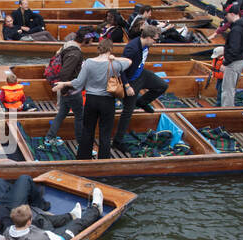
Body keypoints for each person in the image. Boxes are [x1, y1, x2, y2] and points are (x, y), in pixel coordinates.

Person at [53, 36, 130, 160]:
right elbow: (129, 62)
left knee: (87, 130)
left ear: (98, 49)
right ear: (110, 49)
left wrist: (64, 84)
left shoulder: (88, 62)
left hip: (91, 100)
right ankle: (103, 160)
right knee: (105, 133)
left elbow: (78, 83)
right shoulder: (115, 64)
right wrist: (114, 58)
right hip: (107, 101)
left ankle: (83, 158)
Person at [113, 24, 169, 152]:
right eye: (155, 40)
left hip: (141, 74)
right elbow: (121, 69)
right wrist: (127, 86)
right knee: (128, 112)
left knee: (162, 86)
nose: (156, 43)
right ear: (148, 38)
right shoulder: (132, 49)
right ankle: (118, 141)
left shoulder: (145, 44)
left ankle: (141, 101)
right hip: (130, 80)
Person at [4, 194, 104, 240]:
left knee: (41, 218)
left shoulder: (8, 231)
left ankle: (71, 215)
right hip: (60, 239)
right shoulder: (40, 239)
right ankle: (96, 209)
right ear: (29, 222)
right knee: (77, 223)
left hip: (43, 235)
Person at [46, 38, 85, 142]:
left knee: (61, 114)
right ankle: (81, 142)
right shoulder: (75, 54)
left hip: (65, 91)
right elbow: (64, 74)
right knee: (80, 117)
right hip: (72, 91)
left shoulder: (66, 47)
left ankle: (49, 137)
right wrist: (64, 90)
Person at [219, 5, 243, 107]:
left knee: (227, 90)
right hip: (241, 60)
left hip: (234, 63)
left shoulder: (236, 30)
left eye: (227, 15)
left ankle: (227, 114)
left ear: (232, 14)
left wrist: (225, 63)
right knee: (232, 88)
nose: (226, 17)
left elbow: (234, 49)